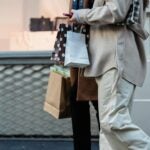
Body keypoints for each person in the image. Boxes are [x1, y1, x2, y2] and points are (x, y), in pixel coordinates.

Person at [68, 0, 150, 149]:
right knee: (107, 132)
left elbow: (115, 11)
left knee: (113, 122)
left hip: (115, 57)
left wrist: (82, 15)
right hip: (106, 58)